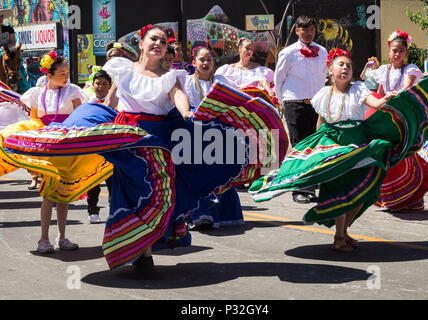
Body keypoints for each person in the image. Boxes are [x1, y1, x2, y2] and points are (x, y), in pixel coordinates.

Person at [4, 24, 287, 277]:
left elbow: (178, 97)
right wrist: (99, 128)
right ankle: (142, 251)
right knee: (130, 191)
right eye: (153, 39)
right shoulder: (123, 69)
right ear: (141, 43)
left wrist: (188, 112)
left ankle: (145, 247)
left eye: (163, 42)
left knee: (158, 188)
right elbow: (112, 101)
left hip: (158, 138)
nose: (158, 44)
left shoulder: (171, 75)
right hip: (127, 138)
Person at [249, 48, 428, 251]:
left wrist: (385, 100)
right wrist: (317, 149)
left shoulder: (358, 89)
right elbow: (321, 122)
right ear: (331, 70)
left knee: (365, 189)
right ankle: (339, 237)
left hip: (357, 141)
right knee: (339, 188)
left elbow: (374, 102)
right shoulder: (323, 94)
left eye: (349, 66)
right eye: (341, 65)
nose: (345, 68)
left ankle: (342, 233)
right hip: (333, 143)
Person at [19, 52, 86, 253]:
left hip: (66, 146)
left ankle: (62, 237)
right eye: (61, 74)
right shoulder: (37, 93)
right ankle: (43, 239)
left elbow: (80, 117)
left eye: (67, 72)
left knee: (63, 194)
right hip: (48, 146)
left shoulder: (73, 91)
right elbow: (33, 122)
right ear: (49, 75)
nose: (66, 77)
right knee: (48, 194)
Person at [183, 46, 244, 229]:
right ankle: (200, 213)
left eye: (209, 59)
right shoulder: (186, 82)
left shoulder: (220, 80)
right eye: (201, 59)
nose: (205, 63)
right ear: (193, 63)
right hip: (194, 132)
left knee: (221, 172)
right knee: (199, 173)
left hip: (219, 130)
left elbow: (237, 99)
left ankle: (224, 215)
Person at [274, 15, 328, 204]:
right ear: (297, 31)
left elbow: (324, 76)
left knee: (317, 145)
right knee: (299, 145)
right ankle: (300, 189)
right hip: (294, 103)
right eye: (304, 30)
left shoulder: (322, 51)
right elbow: (278, 79)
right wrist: (283, 102)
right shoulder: (288, 53)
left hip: (316, 104)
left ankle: (313, 183)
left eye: (311, 30)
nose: (308, 33)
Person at [371, 30, 427, 212]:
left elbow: (406, 89)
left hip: (404, 118)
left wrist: (394, 96)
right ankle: (389, 198)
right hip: (387, 117)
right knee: (386, 155)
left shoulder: (410, 70)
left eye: (401, 50)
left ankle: (413, 199)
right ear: (389, 51)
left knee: (407, 155)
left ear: (405, 52)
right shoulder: (383, 71)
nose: (397, 54)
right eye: (394, 50)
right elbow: (378, 94)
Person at [86, 69, 113, 223]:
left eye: (104, 84)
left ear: (109, 86)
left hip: (110, 147)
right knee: (92, 182)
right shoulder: (88, 102)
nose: (101, 87)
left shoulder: (115, 101)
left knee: (112, 182)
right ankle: (92, 210)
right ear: (93, 84)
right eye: (98, 83)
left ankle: (113, 210)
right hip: (93, 147)